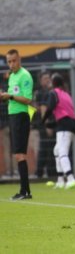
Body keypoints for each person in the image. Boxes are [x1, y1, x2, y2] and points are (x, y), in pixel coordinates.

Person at [0, 49, 33, 200]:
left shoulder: (25, 75)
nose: (11, 64)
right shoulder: (12, 76)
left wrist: (10, 96)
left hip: (21, 116)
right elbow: (12, 96)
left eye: (14, 61)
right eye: (9, 61)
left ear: (19, 59)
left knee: (20, 154)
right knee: (18, 154)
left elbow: (27, 99)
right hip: (13, 116)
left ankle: (25, 191)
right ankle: (24, 190)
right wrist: (4, 97)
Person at [42, 73, 75, 189]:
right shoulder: (67, 95)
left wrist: (43, 119)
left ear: (54, 83)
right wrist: (50, 124)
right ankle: (60, 179)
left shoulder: (54, 93)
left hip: (64, 126)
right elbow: (65, 114)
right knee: (56, 150)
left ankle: (70, 178)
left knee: (62, 152)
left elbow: (51, 107)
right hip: (71, 125)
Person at [34, 71, 56, 179]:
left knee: (52, 148)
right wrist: (47, 125)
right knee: (44, 148)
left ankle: (51, 172)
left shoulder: (52, 91)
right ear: (40, 81)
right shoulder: (41, 93)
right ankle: (40, 172)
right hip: (44, 124)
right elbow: (42, 108)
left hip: (53, 122)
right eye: (45, 78)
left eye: (48, 78)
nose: (47, 80)